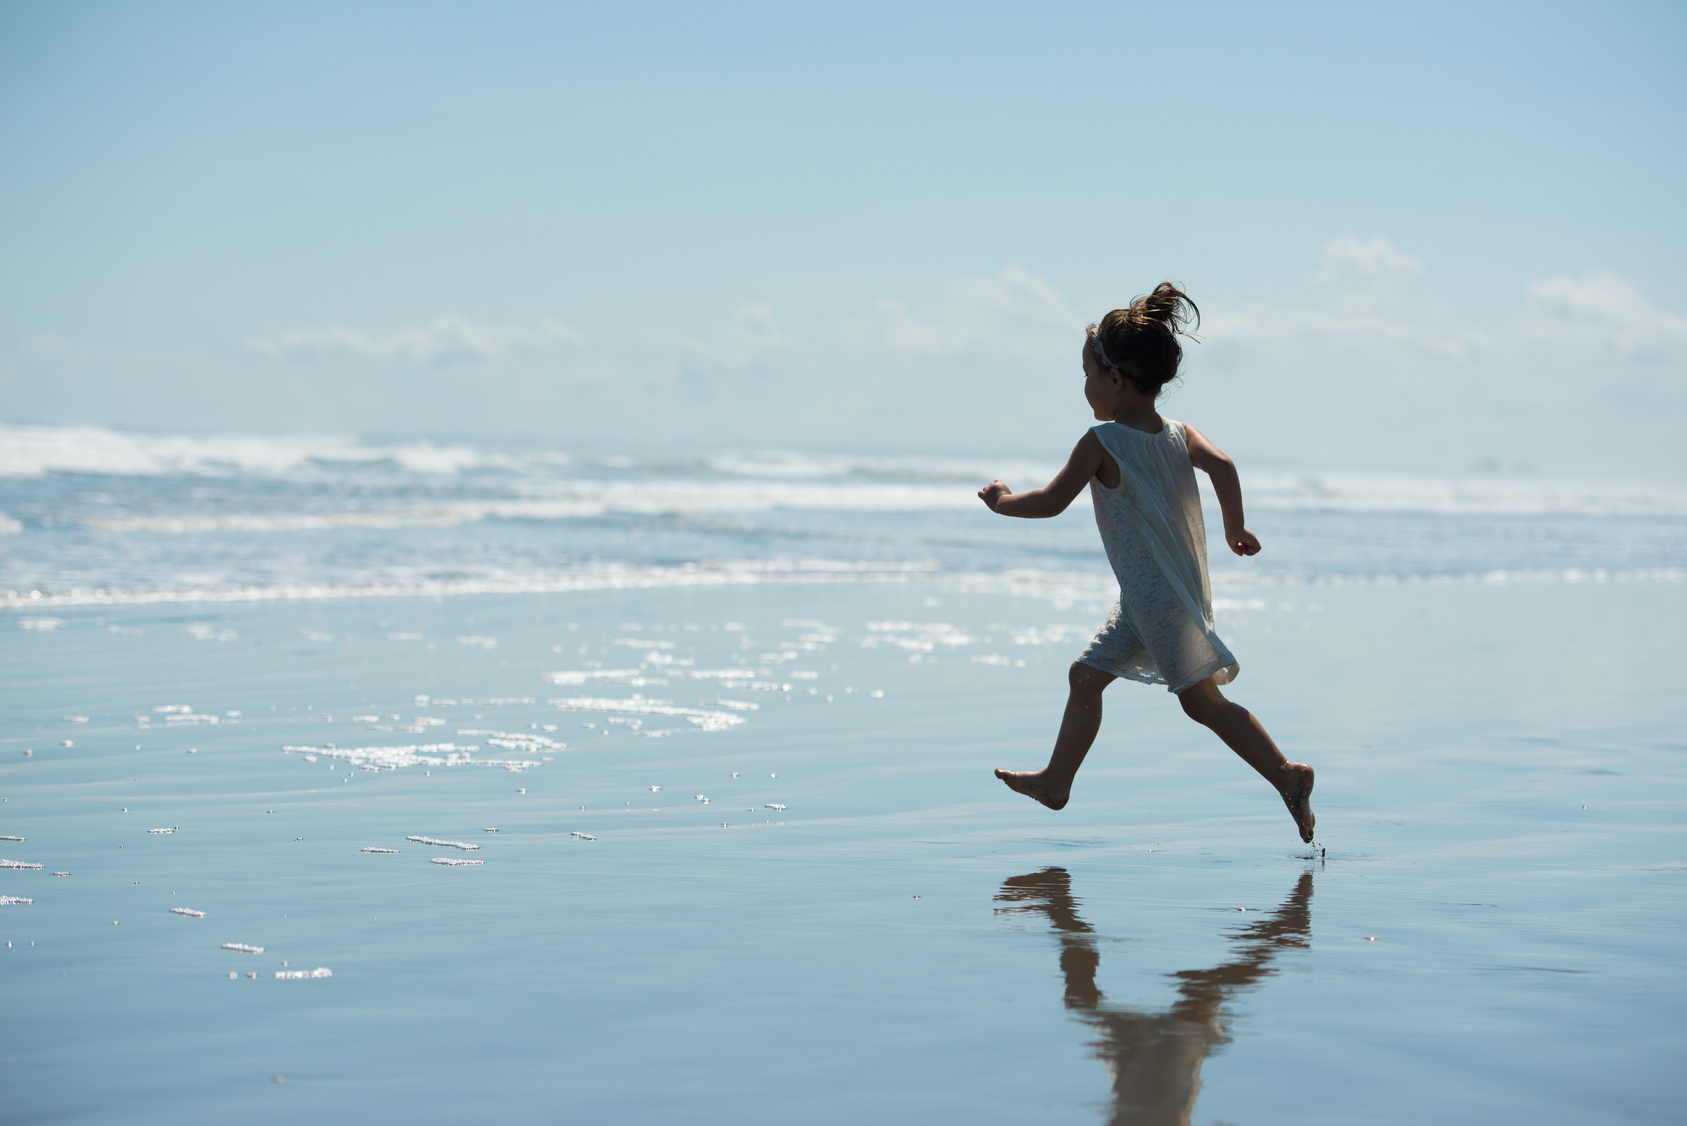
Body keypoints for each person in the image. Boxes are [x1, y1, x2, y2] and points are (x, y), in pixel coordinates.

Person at [978, 283, 1315, 842]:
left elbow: (1050, 502)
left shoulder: (1102, 440)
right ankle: (1057, 782)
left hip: (1157, 600)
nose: (1085, 388)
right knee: (1085, 677)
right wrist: (1235, 526)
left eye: (1087, 375)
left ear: (1115, 379)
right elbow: (1225, 466)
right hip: (1153, 594)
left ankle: (1286, 774)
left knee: (1202, 703)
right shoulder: (1181, 435)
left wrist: (1000, 502)